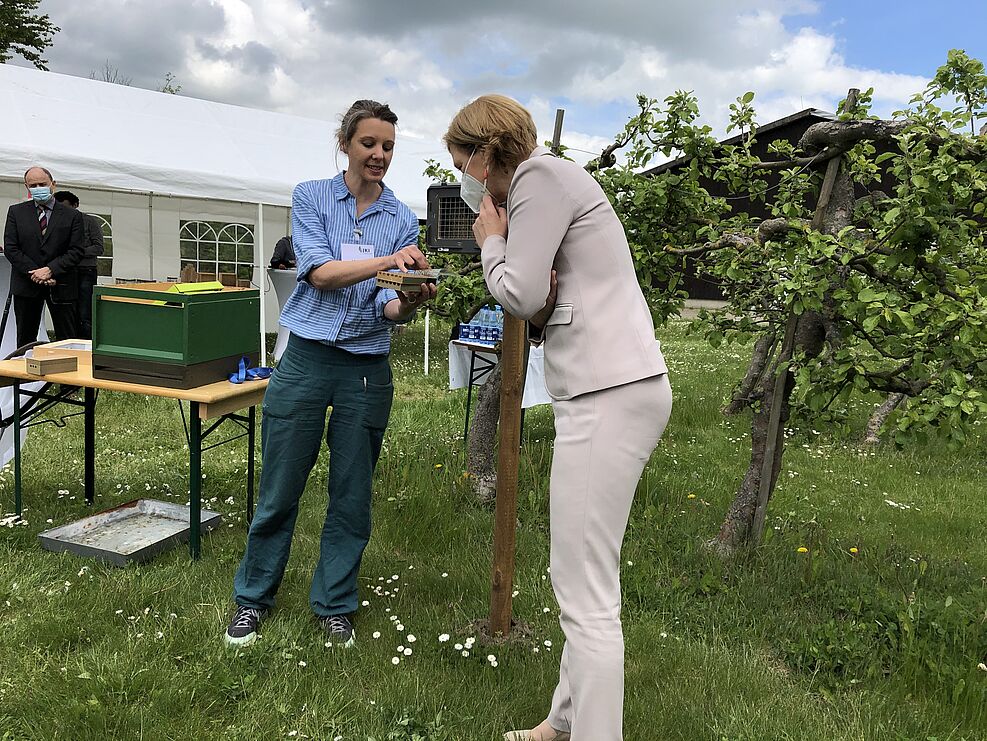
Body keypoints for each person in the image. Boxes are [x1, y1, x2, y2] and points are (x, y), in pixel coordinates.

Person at [445, 95, 672, 741]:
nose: (463, 177)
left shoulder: (538, 179)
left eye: (462, 161)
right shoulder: (555, 180)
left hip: (608, 393)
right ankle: (563, 721)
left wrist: (491, 243)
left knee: (584, 595)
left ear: (487, 153)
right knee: (583, 573)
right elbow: (548, 300)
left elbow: (519, 291)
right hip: (613, 387)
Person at [225, 99, 436, 648]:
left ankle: (335, 602)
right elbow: (318, 274)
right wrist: (392, 263)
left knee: (350, 493)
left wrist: (412, 300)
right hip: (306, 360)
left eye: (388, 146)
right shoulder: (312, 197)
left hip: (366, 368)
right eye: (369, 143)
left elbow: (385, 308)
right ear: (345, 143)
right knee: (280, 484)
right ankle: (252, 597)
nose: (379, 155)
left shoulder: (398, 217)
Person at [3, 167, 85, 347]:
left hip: (61, 285)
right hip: (26, 285)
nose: (38, 188)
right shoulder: (16, 212)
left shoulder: (73, 216)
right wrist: (35, 272)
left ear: (53, 185)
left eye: (42, 184)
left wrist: (50, 270)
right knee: (25, 340)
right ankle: (26, 375)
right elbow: (11, 248)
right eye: (33, 185)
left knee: (67, 340)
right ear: (27, 187)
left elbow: (76, 250)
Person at [53, 190, 104, 339]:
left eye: (65, 207)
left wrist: (75, 252)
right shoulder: (57, 223)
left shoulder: (89, 221)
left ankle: (87, 345)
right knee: (67, 311)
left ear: (75, 205)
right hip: (65, 272)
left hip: (85, 271)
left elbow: (99, 248)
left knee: (85, 312)